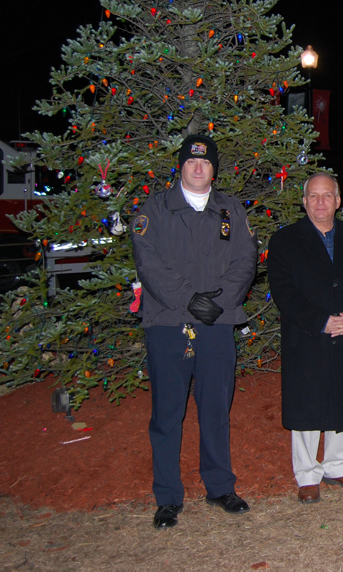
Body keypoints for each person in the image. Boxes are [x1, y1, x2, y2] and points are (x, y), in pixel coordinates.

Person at [131, 134, 257, 529]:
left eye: (205, 163)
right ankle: (168, 497)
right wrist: (190, 300)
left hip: (217, 326)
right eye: (190, 162)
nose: (198, 167)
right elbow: (147, 262)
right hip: (169, 325)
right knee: (167, 414)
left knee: (216, 410)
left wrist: (218, 303)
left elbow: (246, 257)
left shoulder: (230, 209)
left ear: (214, 169)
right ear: (181, 166)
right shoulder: (155, 209)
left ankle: (220, 486)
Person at [266, 172, 343, 505]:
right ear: (304, 201)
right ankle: (307, 474)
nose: (320, 202)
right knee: (308, 405)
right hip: (307, 336)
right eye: (313, 196)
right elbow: (283, 291)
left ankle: (337, 465)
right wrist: (321, 322)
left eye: (327, 195)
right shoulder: (285, 240)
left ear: (338, 200)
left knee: (340, 400)